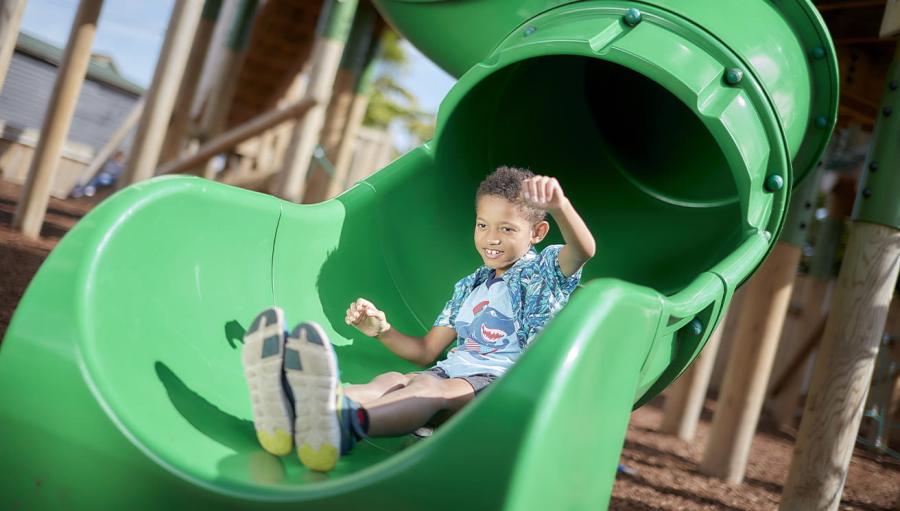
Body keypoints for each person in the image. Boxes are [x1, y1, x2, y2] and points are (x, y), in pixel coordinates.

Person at [241, 166, 596, 472]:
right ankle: (296, 406)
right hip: (451, 375)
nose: (490, 238)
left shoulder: (544, 272)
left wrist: (559, 205)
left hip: (503, 389)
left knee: (427, 389)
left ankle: (340, 427)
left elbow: (583, 249)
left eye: (507, 229)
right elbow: (426, 351)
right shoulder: (469, 287)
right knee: (394, 379)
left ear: (536, 233)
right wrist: (382, 330)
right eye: (482, 224)